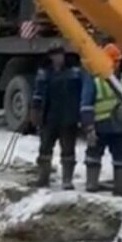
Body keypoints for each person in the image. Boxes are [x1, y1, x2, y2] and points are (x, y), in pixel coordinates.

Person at [81, 43, 122, 196]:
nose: (117, 64)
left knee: (121, 157)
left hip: (120, 127)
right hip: (100, 126)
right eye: (115, 61)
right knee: (93, 155)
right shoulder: (96, 80)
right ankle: (91, 184)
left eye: (118, 61)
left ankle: (120, 188)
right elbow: (86, 105)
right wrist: (89, 128)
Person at [30, 45, 87, 189]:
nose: (58, 58)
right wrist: (35, 111)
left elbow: (83, 92)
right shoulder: (44, 73)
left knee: (68, 150)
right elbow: (38, 93)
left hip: (69, 117)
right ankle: (43, 177)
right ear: (50, 56)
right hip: (49, 117)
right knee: (45, 149)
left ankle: (67, 180)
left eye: (60, 54)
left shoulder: (74, 72)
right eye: (54, 55)